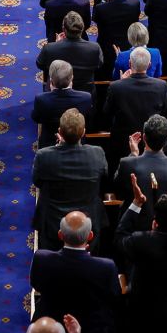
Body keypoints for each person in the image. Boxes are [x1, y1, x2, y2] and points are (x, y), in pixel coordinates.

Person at [32, 108, 108, 252]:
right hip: (87, 225)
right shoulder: (97, 153)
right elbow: (104, 179)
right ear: (84, 132)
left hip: (53, 225)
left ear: (60, 132)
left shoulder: (44, 156)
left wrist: (57, 149)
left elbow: (37, 181)